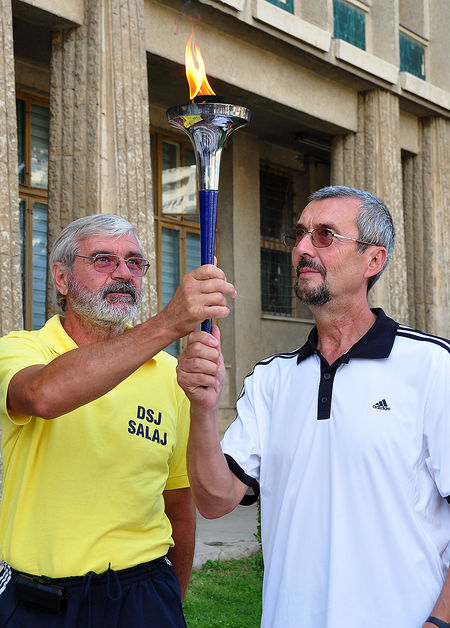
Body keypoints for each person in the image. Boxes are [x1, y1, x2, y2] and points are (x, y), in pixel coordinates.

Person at [176, 186, 450, 628]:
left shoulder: (432, 367)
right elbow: (213, 500)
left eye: (324, 235)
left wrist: (438, 622)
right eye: (299, 234)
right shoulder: (271, 380)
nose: (302, 248)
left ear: (373, 260)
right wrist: (203, 408)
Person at [0, 213, 236, 627]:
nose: (124, 273)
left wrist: (168, 602)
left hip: (144, 596)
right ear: (61, 278)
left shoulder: (170, 374)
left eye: (134, 262)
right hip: (40, 603)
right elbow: (43, 395)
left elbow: (179, 505)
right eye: (103, 260)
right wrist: (169, 322)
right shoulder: (20, 350)